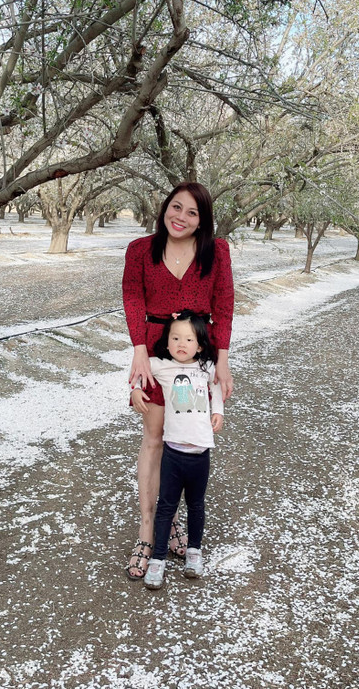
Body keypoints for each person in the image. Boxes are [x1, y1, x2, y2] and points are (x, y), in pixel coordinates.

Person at [122, 182, 234, 580]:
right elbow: (133, 298)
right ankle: (148, 530)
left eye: (192, 212)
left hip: (197, 358)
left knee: (186, 437)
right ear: (165, 208)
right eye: (176, 207)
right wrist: (139, 350)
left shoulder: (216, 251)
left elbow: (223, 304)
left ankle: (174, 522)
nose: (181, 218)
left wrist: (221, 360)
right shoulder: (140, 250)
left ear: (202, 220)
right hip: (154, 354)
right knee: (154, 439)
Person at [130, 310, 225, 589]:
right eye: (175, 338)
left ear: (200, 345)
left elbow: (217, 387)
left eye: (188, 339)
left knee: (196, 504)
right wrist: (135, 389)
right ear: (167, 341)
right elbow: (141, 367)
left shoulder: (206, 367)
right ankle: (158, 557)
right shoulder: (162, 365)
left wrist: (218, 410)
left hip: (201, 453)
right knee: (166, 506)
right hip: (172, 453)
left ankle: (194, 551)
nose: (181, 344)